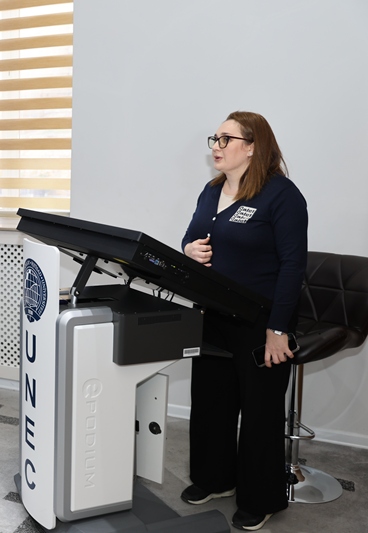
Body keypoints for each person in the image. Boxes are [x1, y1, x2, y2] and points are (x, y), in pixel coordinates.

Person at [180, 111, 307, 531]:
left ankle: (261, 498)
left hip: (260, 321)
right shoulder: (211, 190)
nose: (216, 146)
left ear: (252, 147)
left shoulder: (281, 195)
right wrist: (189, 250)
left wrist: (278, 330)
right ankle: (214, 479)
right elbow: (192, 236)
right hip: (213, 314)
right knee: (211, 403)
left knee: (259, 414)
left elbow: (293, 266)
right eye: (214, 138)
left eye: (226, 138)